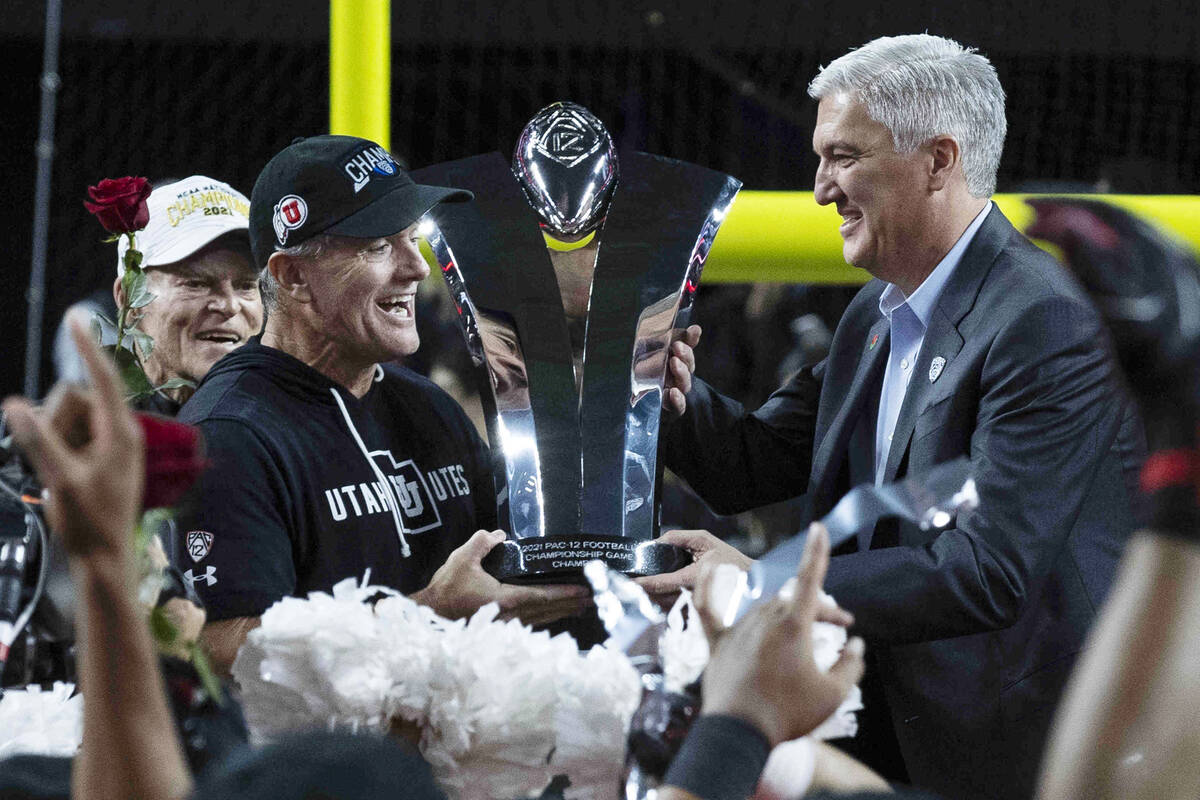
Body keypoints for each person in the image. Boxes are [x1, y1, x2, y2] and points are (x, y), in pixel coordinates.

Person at [654, 34, 1145, 799]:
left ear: (939, 160)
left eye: (844, 157)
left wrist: (771, 586)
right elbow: (750, 462)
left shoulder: (1045, 321)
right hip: (883, 740)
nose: (821, 189)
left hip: (1015, 759)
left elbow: (989, 569)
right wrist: (670, 393)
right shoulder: (874, 316)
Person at [170, 135, 588, 675]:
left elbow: (517, 564)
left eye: (413, 240)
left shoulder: (427, 406)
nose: (416, 268)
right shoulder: (228, 435)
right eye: (378, 246)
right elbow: (218, 652)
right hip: (316, 758)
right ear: (292, 276)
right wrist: (426, 616)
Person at [110, 176, 263, 415]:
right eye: (196, 284)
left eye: (246, 286)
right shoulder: (80, 440)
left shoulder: (300, 430)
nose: (230, 305)